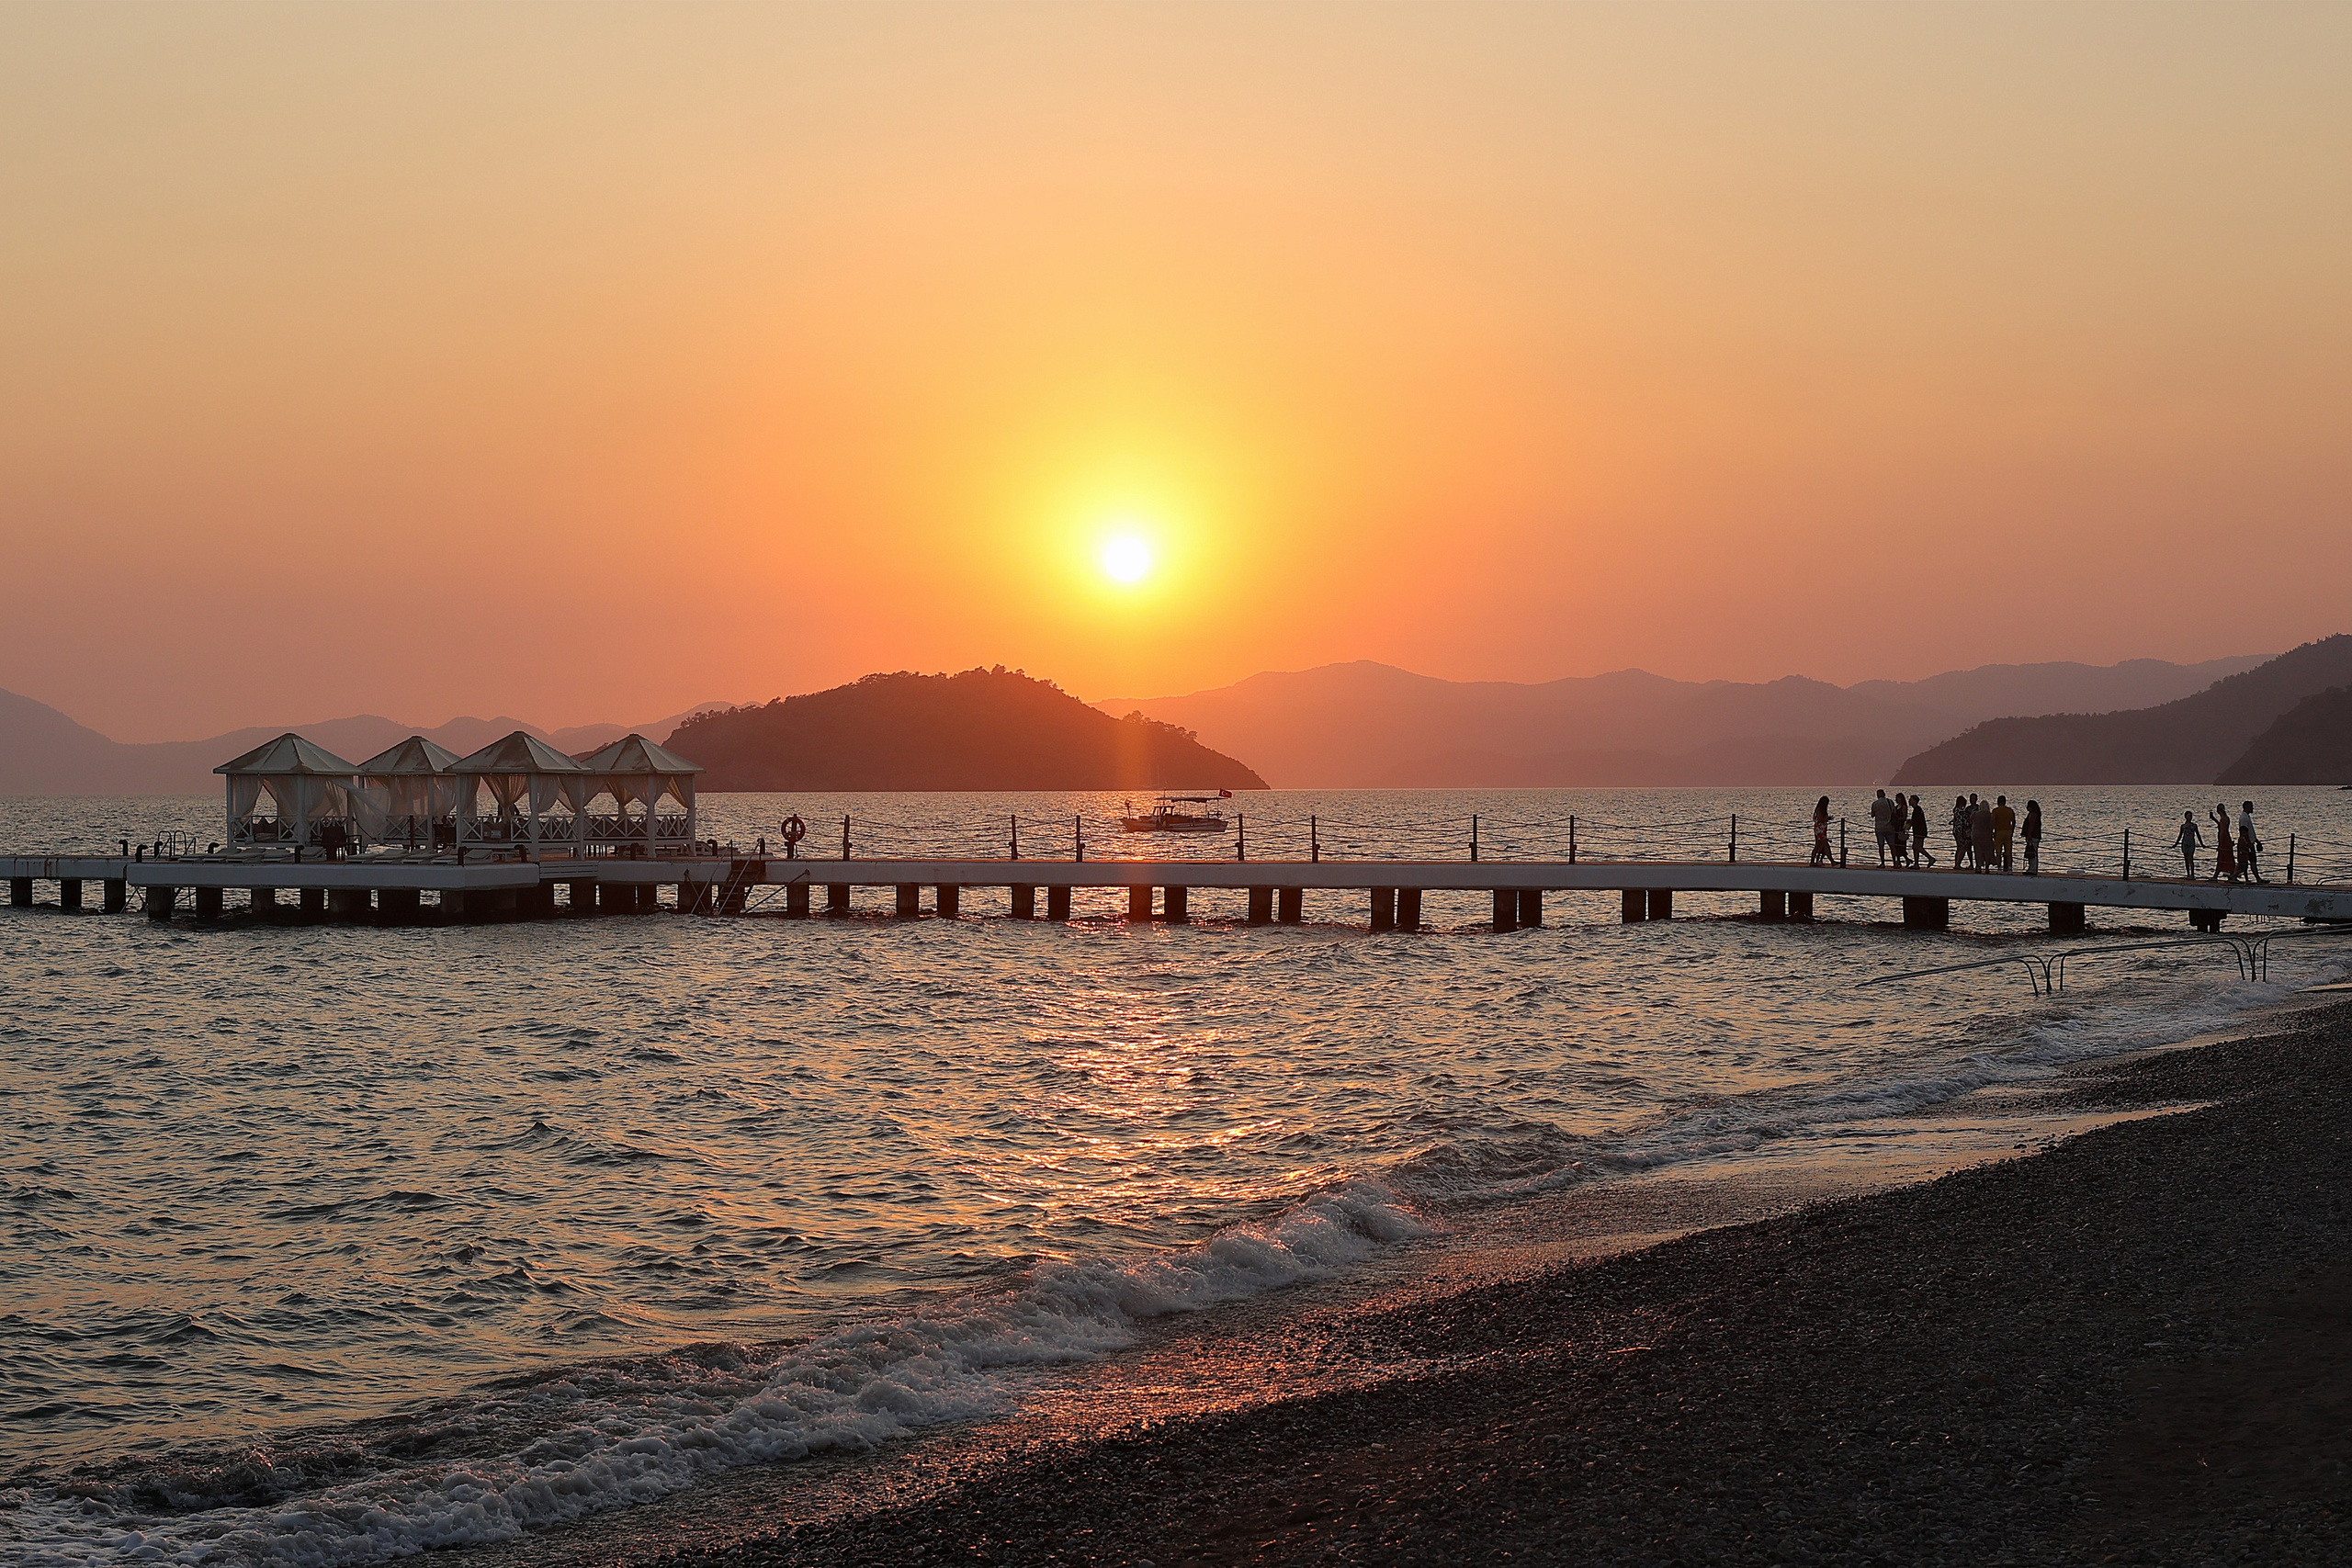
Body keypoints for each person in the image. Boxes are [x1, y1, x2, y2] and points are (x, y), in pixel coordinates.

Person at [2170, 809, 2202, 878]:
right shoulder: (2183, 826)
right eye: (2188, 816)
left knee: (2191, 858)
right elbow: (2180, 835)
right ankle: (2188, 874)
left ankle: (2192, 874)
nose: (2190, 817)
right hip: (2184, 842)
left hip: (2191, 843)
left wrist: (2202, 844)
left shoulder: (2194, 826)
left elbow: (2198, 835)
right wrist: (2176, 844)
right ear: (2185, 817)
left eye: (2191, 816)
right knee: (2186, 859)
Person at [1870, 788, 1898, 865]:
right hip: (1890, 827)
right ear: (1884, 794)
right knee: (1892, 846)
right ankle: (1894, 862)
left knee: (1881, 846)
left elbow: (1872, 815)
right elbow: (1894, 812)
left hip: (1879, 828)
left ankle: (1882, 863)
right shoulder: (1890, 802)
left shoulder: (1875, 804)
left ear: (1877, 795)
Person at [2210, 805, 2237, 883]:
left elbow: (2223, 832)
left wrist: (2220, 843)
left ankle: (2230, 875)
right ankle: (2229, 875)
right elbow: (2221, 827)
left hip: (2225, 841)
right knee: (2224, 858)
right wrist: (2214, 819)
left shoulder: (2224, 819)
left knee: (2224, 858)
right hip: (2225, 840)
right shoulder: (2224, 818)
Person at [1990, 795, 2017, 872]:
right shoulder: (2010, 810)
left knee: (1998, 852)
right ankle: (2010, 868)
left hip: (1999, 832)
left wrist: (1992, 831)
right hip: (2008, 832)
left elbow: (1993, 822)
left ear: (1998, 802)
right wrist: (2012, 830)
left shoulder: (1995, 811)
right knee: (2008, 852)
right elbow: (2013, 821)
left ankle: (1999, 868)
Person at [1970, 797, 1996, 872]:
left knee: (1977, 851)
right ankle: (1987, 867)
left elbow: (1970, 821)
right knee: (1987, 851)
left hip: (1976, 834)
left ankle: (1978, 866)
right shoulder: (1990, 815)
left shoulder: (1975, 814)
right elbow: (1992, 825)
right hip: (1986, 835)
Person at [2238, 801, 2263, 882]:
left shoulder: (2246, 817)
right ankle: (2257, 879)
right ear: (2247, 807)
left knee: (2249, 862)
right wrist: (2248, 843)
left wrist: (2256, 841)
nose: (2253, 808)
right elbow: (2244, 832)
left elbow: (2249, 832)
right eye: (2251, 806)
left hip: (2250, 842)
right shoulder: (2244, 818)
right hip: (2247, 844)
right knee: (2250, 862)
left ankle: (2249, 879)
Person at [1909, 794, 1936, 866]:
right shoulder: (1917, 809)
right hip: (1919, 831)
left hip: (1919, 831)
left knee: (1917, 847)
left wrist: (1910, 823)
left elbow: (1916, 821)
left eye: (1911, 800)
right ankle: (1916, 864)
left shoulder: (1917, 810)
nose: (1909, 801)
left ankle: (1930, 858)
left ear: (1914, 801)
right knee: (1915, 847)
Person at [1811, 796, 1835, 865]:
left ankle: (1812, 861)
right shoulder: (1819, 810)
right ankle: (1832, 861)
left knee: (1818, 846)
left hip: (1821, 829)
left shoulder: (1820, 810)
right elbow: (1820, 819)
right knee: (1825, 845)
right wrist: (1827, 819)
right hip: (1820, 830)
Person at [1951, 795, 1973, 869]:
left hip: (1956, 830)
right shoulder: (1961, 811)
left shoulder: (1956, 810)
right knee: (1963, 848)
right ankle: (1958, 864)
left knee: (1959, 848)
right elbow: (1965, 822)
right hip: (1961, 832)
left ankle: (1956, 864)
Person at [2021, 799, 2042, 875]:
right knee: (2033, 852)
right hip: (2035, 836)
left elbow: (2031, 825)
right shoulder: (2036, 814)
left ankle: (2032, 869)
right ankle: (2032, 868)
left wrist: (2029, 834)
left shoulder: (2033, 814)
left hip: (2033, 836)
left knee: (2032, 852)